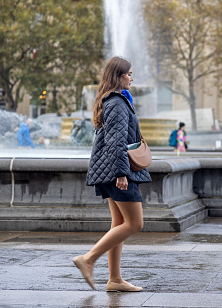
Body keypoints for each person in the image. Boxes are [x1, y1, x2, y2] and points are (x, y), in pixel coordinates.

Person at [77, 57, 151, 292]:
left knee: (119, 222)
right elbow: (116, 141)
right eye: (128, 73)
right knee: (135, 223)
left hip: (109, 170)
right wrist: (121, 173)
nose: (131, 77)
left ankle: (114, 279)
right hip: (117, 171)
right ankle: (88, 259)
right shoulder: (117, 102)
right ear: (118, 76)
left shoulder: (110, 100)